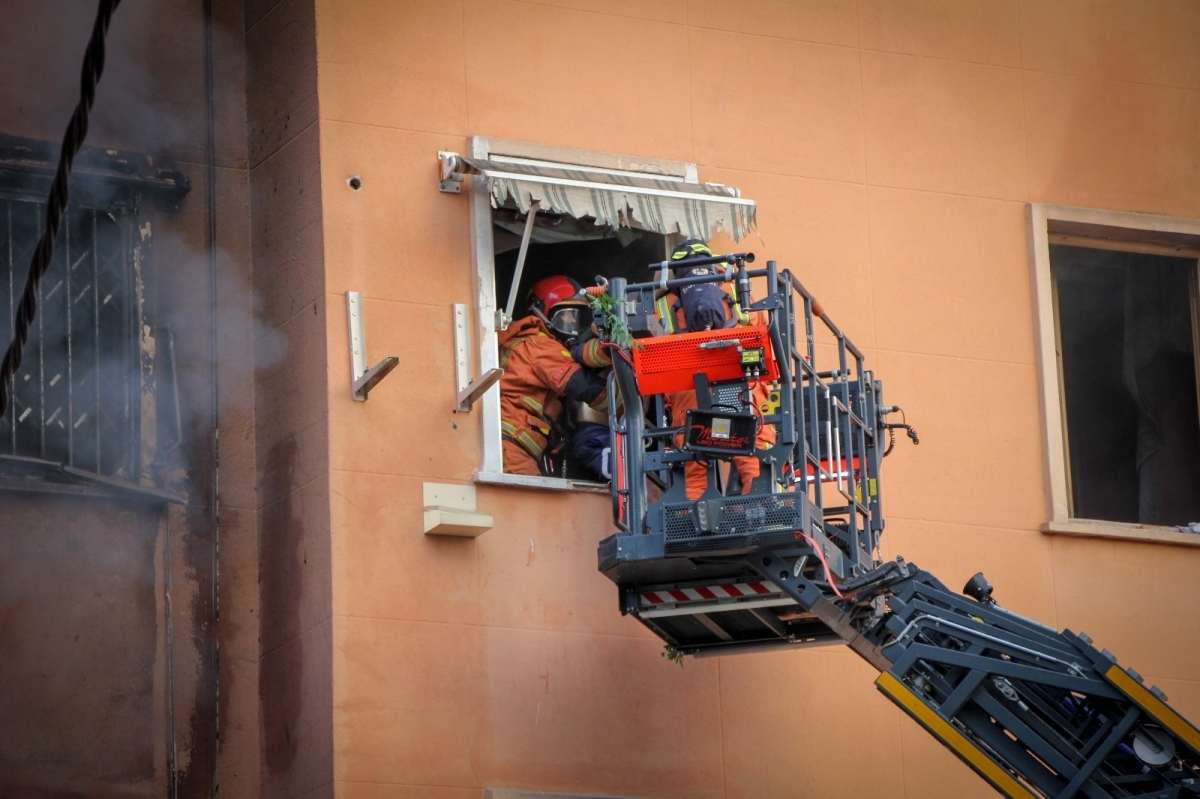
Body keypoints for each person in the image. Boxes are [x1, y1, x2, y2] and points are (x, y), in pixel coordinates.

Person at [656, 239, 775, 499]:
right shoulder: (737, 288)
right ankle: (764, 503)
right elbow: (764, 333)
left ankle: (693, 515)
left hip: (688, 390)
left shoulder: (663, 303)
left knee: (693, 454)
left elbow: (647, 352)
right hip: (741, 383)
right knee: (753, 443)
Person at [498, 275, 612, 476]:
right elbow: (580, 384)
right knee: (527, 503)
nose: (572, 320)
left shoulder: (531, 343)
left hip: (514, 446)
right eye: (566, 313)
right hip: (513, 448)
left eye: (575, 315)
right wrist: (624, 403)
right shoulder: (539, 344)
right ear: (543, 313)